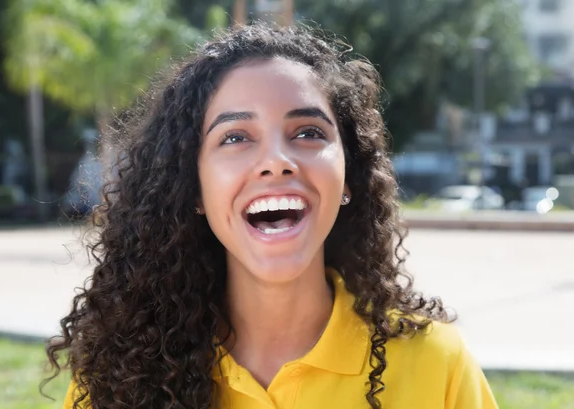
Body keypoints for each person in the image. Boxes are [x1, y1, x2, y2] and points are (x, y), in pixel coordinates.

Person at [51, 22, 498, 409]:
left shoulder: (435, 362)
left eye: (307, 132)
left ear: (348, 177)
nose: (276, 160)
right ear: (194, 188)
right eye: (235, 137)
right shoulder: (118, 372)